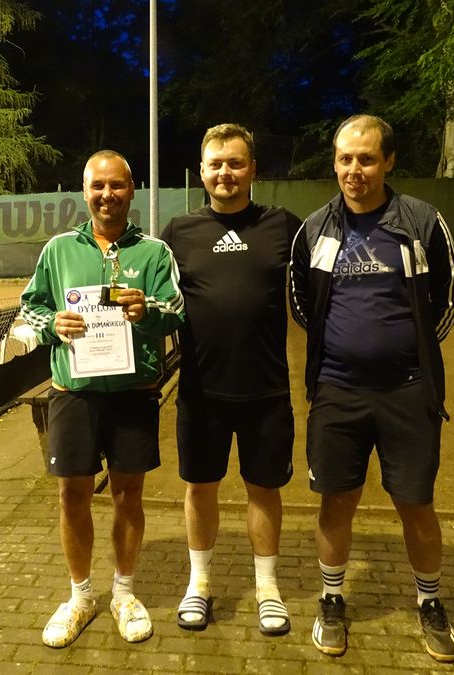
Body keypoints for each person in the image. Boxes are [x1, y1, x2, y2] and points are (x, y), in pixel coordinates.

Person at [289, 114, 454, 662]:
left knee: (415, 502)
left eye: (366, 159)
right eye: (345, 159)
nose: (354, 170)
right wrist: (340, 349)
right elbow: (300, 300)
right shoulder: (315, 228)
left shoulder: (422, 222)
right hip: (336, 390)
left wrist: (412, 350)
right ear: (334, 162)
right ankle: (331, 598)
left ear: (388, 161)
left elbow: (451, 298)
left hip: (407, 392)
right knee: (336, 501)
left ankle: (430, 603)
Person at [20, 150, 185, 648]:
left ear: (131, 190)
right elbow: (31, 307)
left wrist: (146, 310)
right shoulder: (58, 250)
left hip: (133, 395)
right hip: (74, 394)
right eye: (98, 186)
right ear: (85, 191)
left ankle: (124, 594)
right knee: (71, 496)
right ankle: (81, 596)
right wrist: (53, 324)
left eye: (116, 185)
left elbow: (176, 311)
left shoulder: (154, 252)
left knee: (128, 495)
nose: (107, 195)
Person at [161, 123, 301, 636]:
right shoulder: (178, 233)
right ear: (201, 172)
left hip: (267, 392)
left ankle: (267, 588)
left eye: (236, 163)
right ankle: (199, 584)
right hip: (201, 393)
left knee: (263, 490)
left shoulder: (283, 226)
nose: (226, 173)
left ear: (252, 170)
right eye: (216, 164)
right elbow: (153, 305)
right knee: (200, 489)